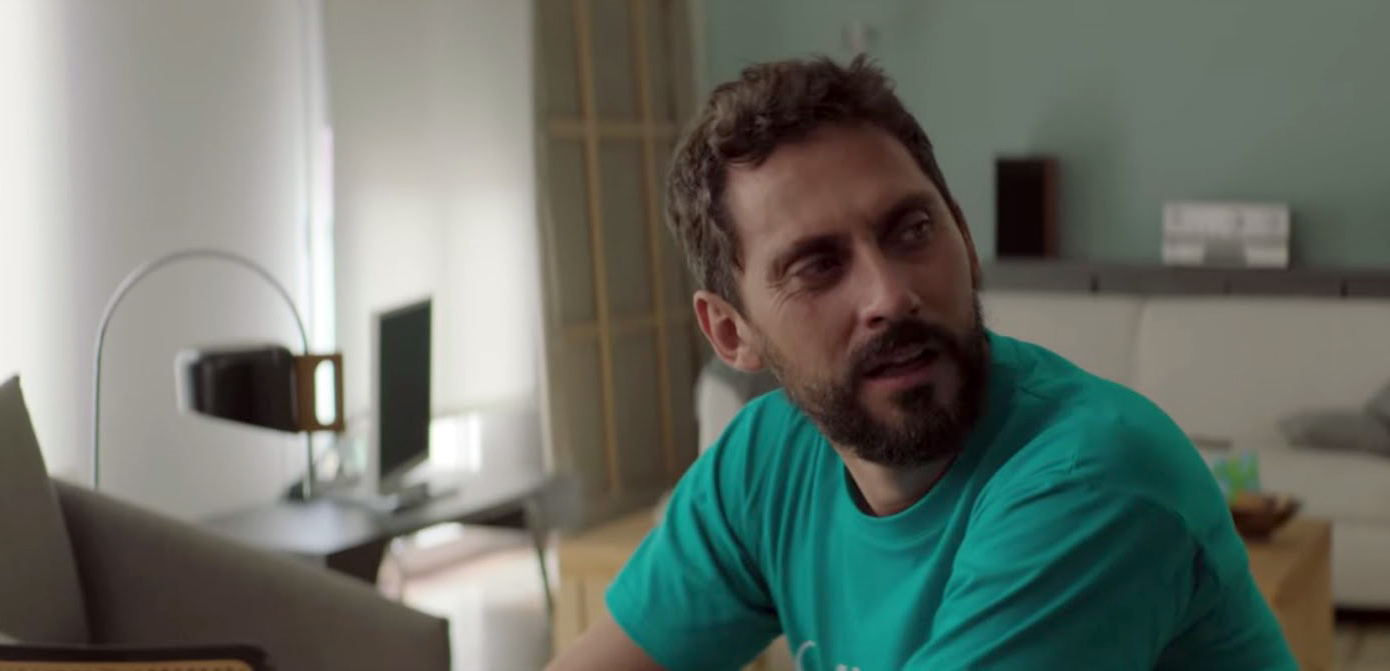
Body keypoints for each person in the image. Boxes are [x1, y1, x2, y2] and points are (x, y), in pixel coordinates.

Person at [547, 56, 1295, 671]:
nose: (890, 295)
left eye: (910, 230)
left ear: (963, 238)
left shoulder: (1093, 479)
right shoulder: (764, 464)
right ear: (731, 331)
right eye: (816, 265)